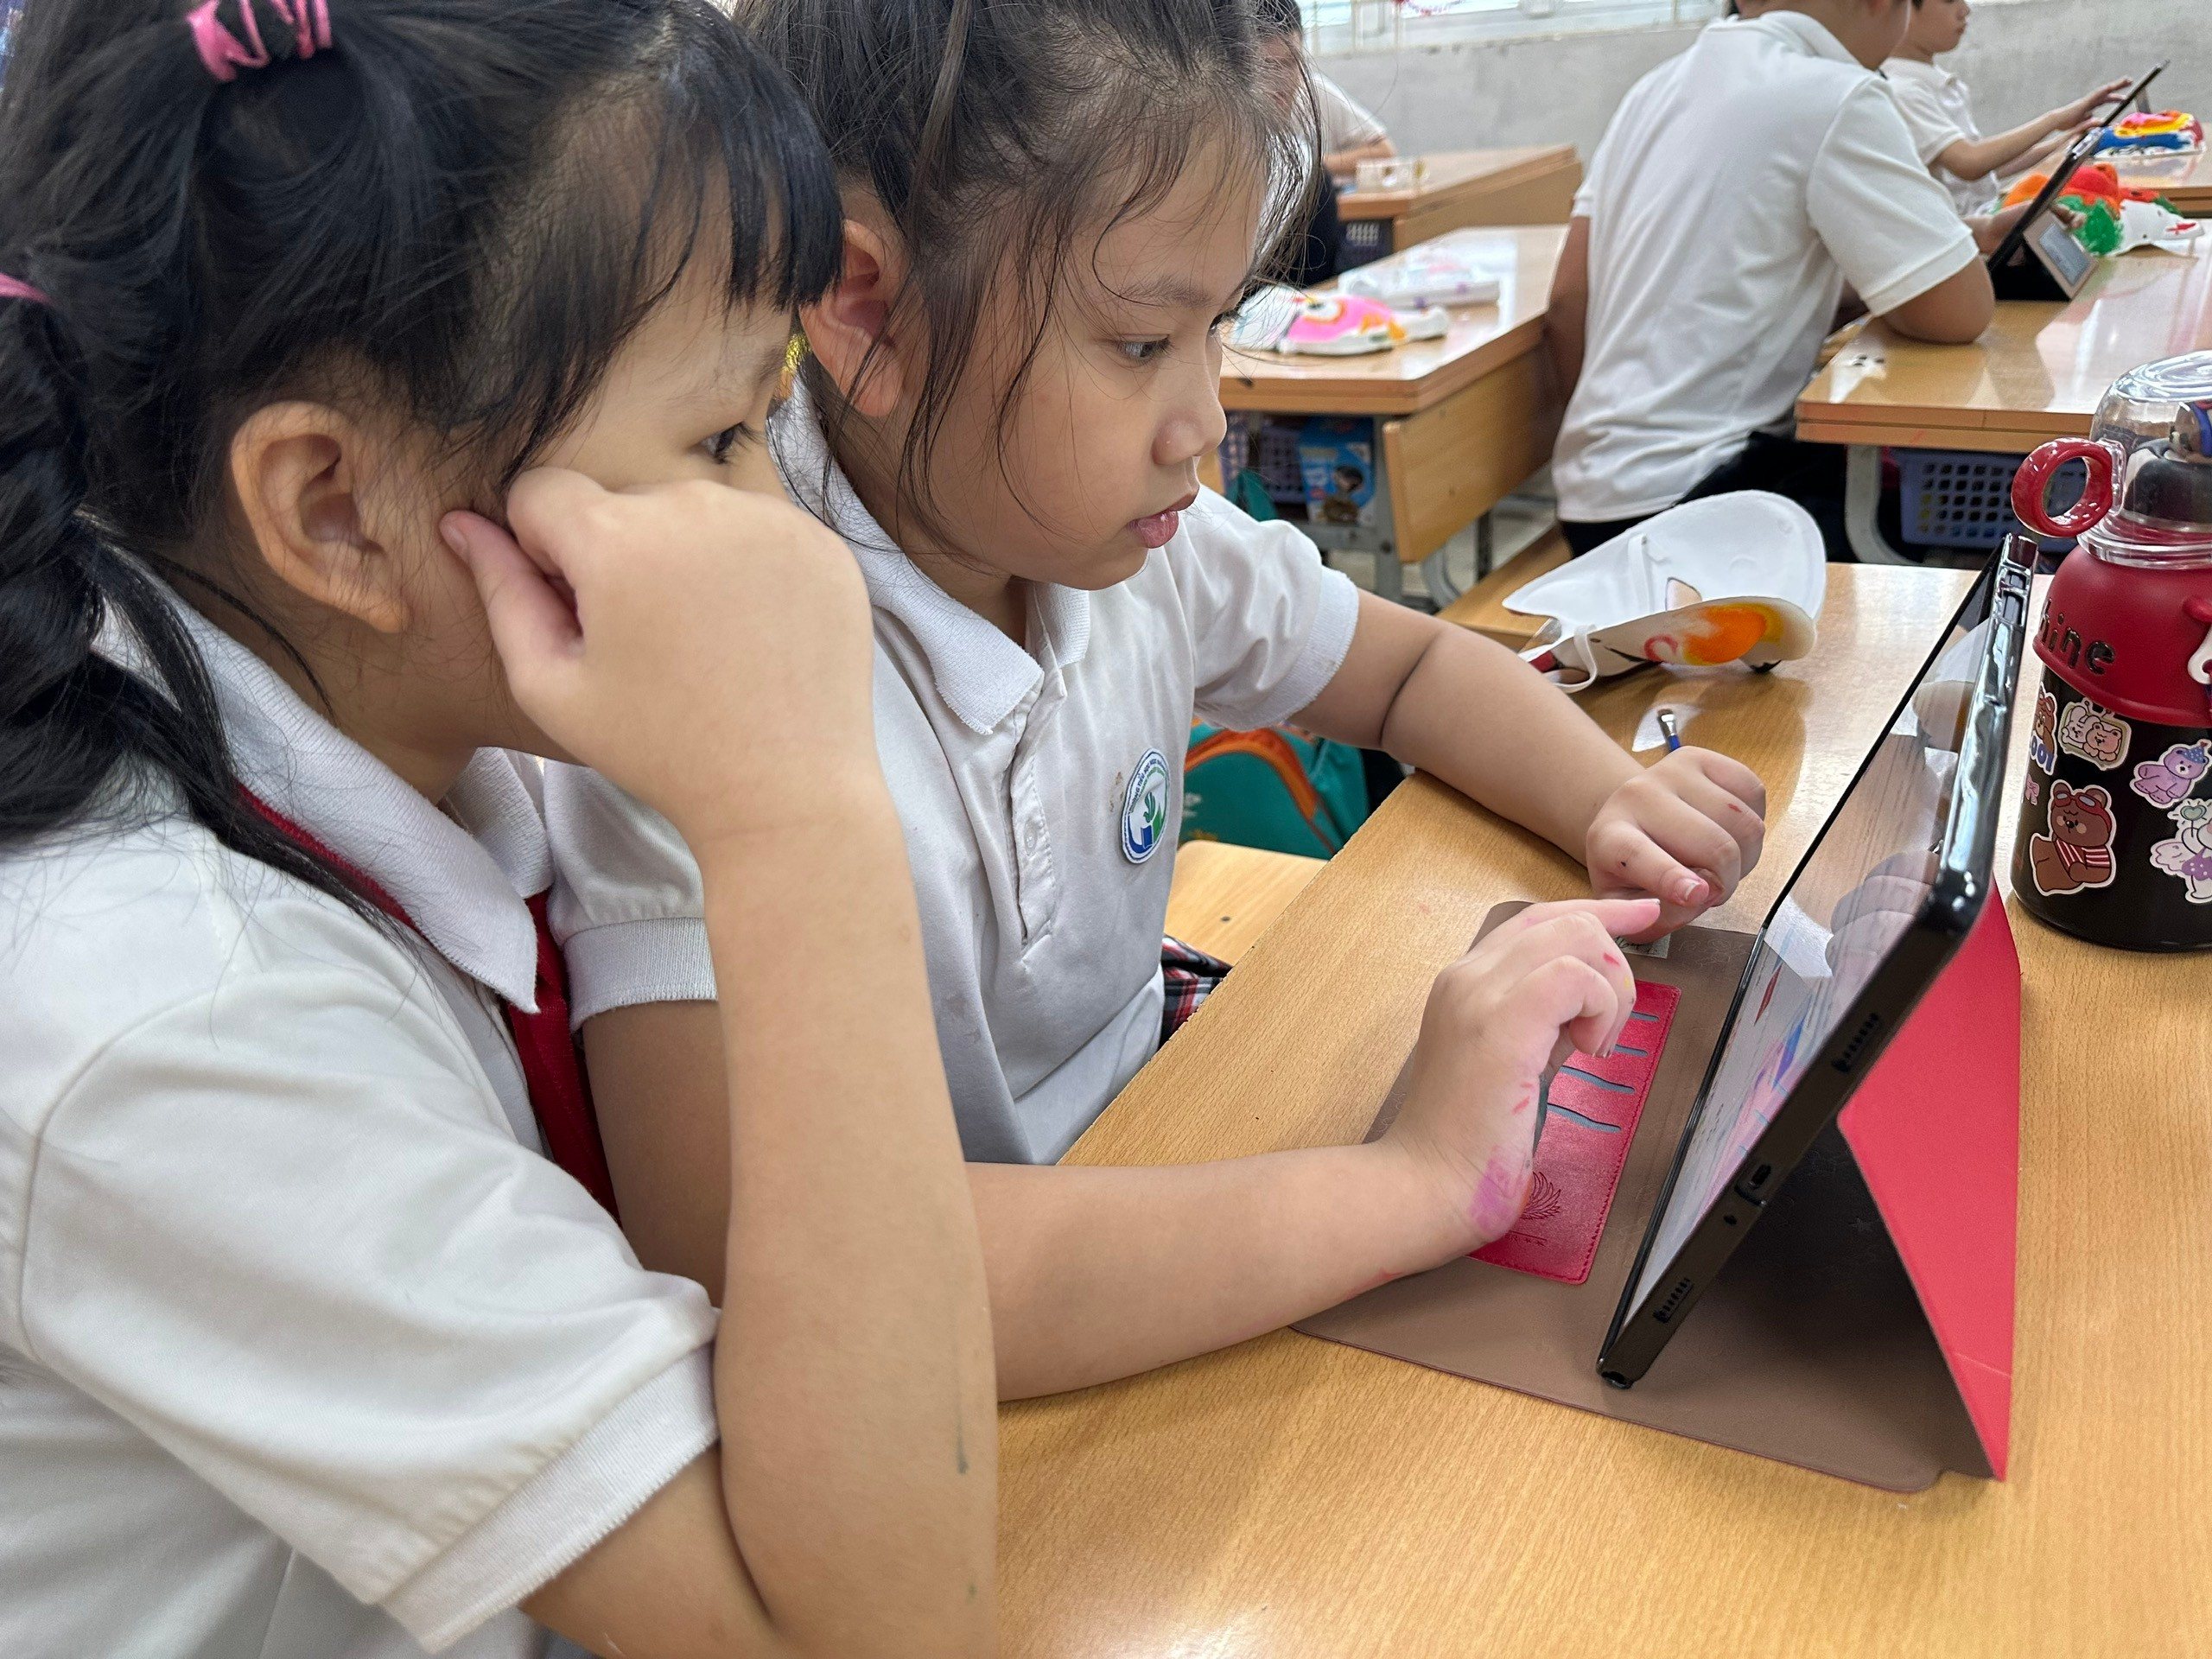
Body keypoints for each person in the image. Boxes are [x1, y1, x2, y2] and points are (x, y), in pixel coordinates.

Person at [543, 0, 1769, 1402]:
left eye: (1220, 326)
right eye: (1139, 344)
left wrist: (1607, 793)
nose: (1208, 419)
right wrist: (1407, 1183)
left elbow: (1416, 668)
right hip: (958, 1371)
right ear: (866, 307)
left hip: (1166, 1149)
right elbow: (755, 1262)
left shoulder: (1134, 543)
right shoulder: (692, 673)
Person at [0, 2, 1000, 1655]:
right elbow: (880, 1633)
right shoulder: (174, 1017)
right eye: (725, 438)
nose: (793, 537)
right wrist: (800, 827)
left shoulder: (463, 717)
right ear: (339, 510)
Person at [1546, 0, 2033, 561]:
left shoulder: (1650, 92)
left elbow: (1567, 303)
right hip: (1699, 507)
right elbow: (1960, 314)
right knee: (1969, 548)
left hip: (1592, 505)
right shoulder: (1835, 92)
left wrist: (1968, 235)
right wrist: (1925, 262)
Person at [1884, 0, 2125, 217]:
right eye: (1949, 0)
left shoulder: (1937, 82)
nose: (1965, 10)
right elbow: (1970, 163)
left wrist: (2062, 142)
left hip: (1985, 219)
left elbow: (1988, 168)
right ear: (1901, 8)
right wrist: (2054, 119)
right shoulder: (1903, 89)